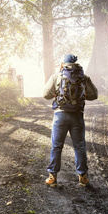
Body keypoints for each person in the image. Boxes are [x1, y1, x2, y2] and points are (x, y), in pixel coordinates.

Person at [42, 54, 98, 187]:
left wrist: (55, 94)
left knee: (57, 146)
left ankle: (52, 178)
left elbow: (45, 94)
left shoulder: (57, 76)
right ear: (76, 63)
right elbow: (94, 95)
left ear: (63, 63)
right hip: (77, 116)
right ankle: (83, 178)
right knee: (79, 146)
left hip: (60, 116)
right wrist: (82, 96)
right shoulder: (83, 77)